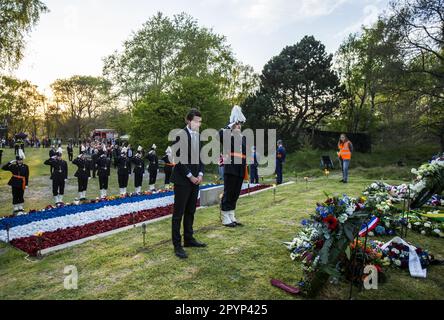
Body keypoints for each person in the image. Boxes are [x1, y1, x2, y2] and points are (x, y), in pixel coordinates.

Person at [170, 108, 206, 259]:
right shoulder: (180, 136)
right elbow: (178, 160)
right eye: (196, 121)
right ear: (188, 121)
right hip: (182, 180)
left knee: (191, 210)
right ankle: (177, 245)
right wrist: (190, 176)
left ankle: (189, 239)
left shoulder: (199, 136)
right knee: (178, 213)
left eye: (200, 121)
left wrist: (200, 174)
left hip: (196, 180)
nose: (199, 124)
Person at [219, 105, 248, 228]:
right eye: (237, 124)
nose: (239, 126)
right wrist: (230, 125)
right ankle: (225, 216)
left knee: (236, 192)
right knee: (229, 191)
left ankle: (231, 215)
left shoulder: (243, 138)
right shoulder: (227, 135)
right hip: (231, 167)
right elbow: (219, 134)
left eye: (240, 125)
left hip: (240, 167)